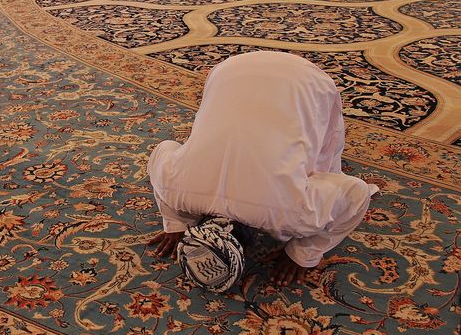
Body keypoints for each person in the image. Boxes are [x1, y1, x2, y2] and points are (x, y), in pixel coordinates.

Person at [147, 51, 377, 290]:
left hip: (309, 81)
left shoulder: (292, 214)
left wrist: (302, 254)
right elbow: (163, 149)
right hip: (229, 69)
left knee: (314, 159)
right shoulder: (174, 189)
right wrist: (176, 223)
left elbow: (356, 194)